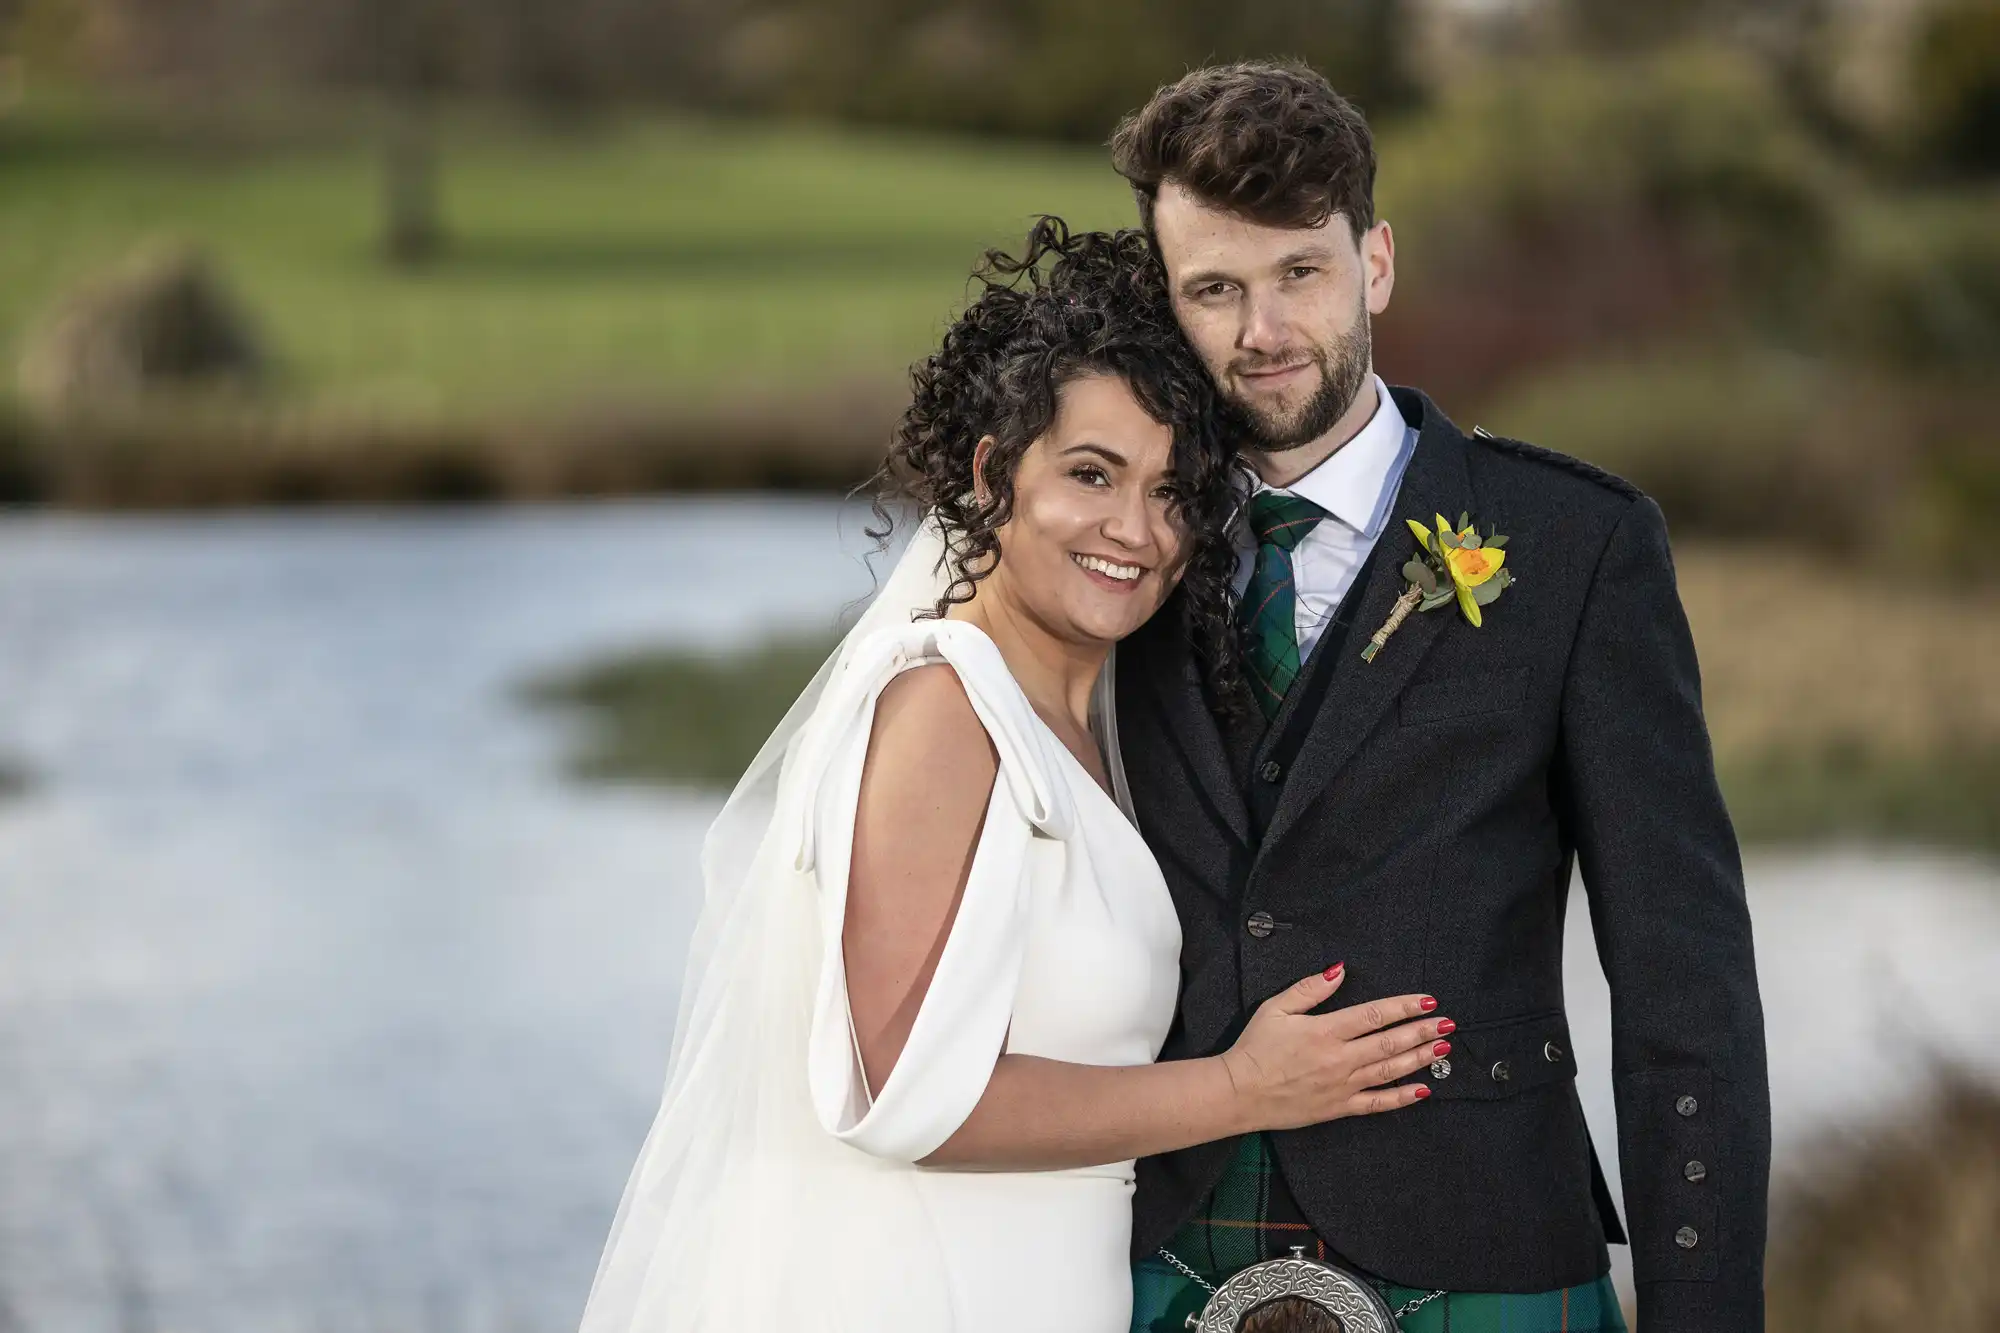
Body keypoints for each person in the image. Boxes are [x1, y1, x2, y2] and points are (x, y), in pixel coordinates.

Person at [576, 221, 1459, 1333]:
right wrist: (1242, 1088)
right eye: (1090, 474)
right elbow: (891, 1092)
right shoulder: (944, 706)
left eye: (1172, 489)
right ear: (995, 471)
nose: (1132, 529)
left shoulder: (1084, 723)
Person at [1108, 62, 1771, 1333]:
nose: (1262, 330)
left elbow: (1682, 974)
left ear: (1377, 263)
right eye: (1214, 289)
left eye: (1300, 272)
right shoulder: (1113, 553)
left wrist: (1701, 1310)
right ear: (1167, 302)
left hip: (1489, 1238)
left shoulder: (1576, 544)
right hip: (1150, 1240)